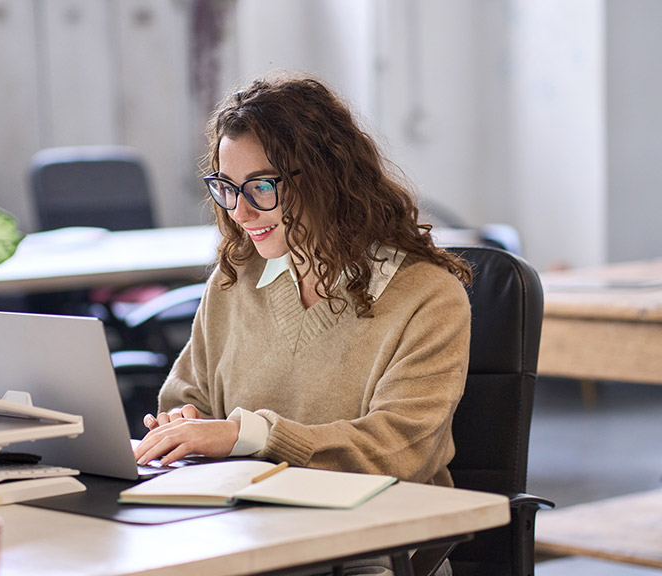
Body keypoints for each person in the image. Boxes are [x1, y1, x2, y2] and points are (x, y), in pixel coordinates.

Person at [134, 71, 472, 488]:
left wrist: (248, 435)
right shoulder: (234, 280)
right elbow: (187, 400)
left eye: (260, 186)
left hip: (376, 537)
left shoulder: (428, 297)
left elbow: (400, 450)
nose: (240, 213)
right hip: (243, 520)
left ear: (327, 177)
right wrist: (185, 424)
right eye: (227, 187)